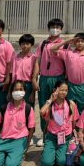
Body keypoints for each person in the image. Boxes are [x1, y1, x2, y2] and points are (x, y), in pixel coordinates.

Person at [0, 80, 35, 166]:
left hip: (19, 141)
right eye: (15, 89)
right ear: (11, 91)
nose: (18, 92)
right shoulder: (5, 107)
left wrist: (26, 146)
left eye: (20, 89)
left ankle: (14, 156)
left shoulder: (28, 108)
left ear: (24, 92)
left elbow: (31, 129)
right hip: (4, 140)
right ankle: (6, 156)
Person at [33, 18, 66, 147]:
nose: (55, 29)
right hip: (44, 78)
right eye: (53, 27)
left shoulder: (64, 44)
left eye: (58, 27)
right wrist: (35, 79)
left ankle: (59, 132)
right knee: (44, 105)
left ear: (61, 29)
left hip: (58, 78)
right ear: (48, 29)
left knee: (59, 106)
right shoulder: (43, 44)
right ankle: (45, 134)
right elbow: (37, 61)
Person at [51, 33, 84, 113]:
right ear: (74, 43)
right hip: (70, 86)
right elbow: (52, 49)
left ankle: (81, 121)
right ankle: (70, 121)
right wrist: (66, 41)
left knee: (82, 108)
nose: (80, 43)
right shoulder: (68, 53)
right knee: (70, 108)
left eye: (82, 41)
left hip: (83, 87)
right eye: (77, 41)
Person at [40, 81, 80, 166]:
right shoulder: (50, 105)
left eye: (66, 90)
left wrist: (71, 134)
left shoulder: (71, 104)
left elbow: (74, 122)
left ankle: (54, 152)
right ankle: (49, 151)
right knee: (46, 163)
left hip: (65, 138)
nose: (64, 92)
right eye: (61, 90)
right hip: (52, 137)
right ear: (55, 90)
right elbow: (42, 112)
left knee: (61, 162)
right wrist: (51, 100)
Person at [12, 34, 37, 104]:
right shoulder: (15, 58)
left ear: (32, 45)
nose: (25, 46)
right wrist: (10, 91)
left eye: (27, 44)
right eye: (23, 44)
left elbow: (35, 77)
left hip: (28, 85)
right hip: (16, 85)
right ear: (20, 44)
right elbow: (13, 75)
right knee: (16, 105)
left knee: (28, 106)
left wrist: (33, 93)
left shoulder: (34, 58)